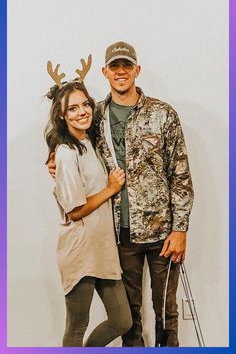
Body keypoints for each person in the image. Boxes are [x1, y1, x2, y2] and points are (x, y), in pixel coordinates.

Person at [48, 41, 194, 347]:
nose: (121, 71)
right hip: (119, 236)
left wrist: (180, 229)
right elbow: (67, 139)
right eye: (115, 66)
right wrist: (52, 159)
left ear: (137, 70)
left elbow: (180, 174)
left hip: (162, 234)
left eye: (127, 65)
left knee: (166, 312)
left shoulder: (163, 114)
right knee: (129, 318)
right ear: (105, 72)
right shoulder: (94, 115)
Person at [45, 68, 132, 347]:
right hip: (80, 253)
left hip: (103, 250)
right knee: (77, 325)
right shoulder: (66, 153)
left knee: (122, 321)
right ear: (61, 115)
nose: (82, 111)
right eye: (72, 108)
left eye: (85, 104)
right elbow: (75, 210)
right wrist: (110, 189)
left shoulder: (87, 142)